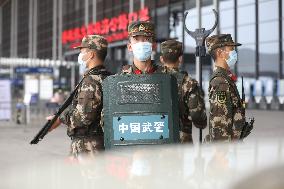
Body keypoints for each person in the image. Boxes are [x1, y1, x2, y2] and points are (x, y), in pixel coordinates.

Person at [47, 35, 111, 157]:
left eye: (82, 52)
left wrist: (60, 118)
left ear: (91, 54)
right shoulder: (107, 77)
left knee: (87, 176)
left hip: (88, 147)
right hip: (99, 143)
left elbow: (82, 118)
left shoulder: (91, 81)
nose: (80, 56)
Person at [160, 39, 207, 143]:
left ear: (161, 59)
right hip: (181, 139)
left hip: (157, 137)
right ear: (180, 59)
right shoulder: (188, 83)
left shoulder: (154, 79)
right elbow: (197, 115)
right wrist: (202, 123)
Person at [205, 34, 245, 142]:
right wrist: (221, 155)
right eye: (231, 49)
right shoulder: (220, 81)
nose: (234, 53)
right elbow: (219, 120)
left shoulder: (225, 78)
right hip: (225, 149)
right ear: (219, 53)